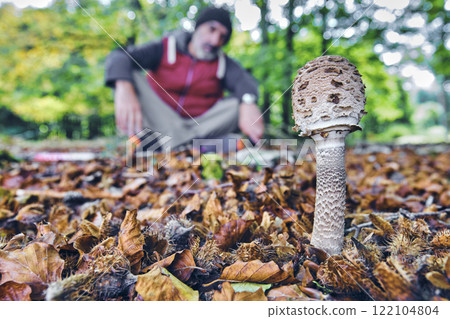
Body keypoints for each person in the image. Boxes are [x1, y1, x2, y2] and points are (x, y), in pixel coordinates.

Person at [104, 6, 264, 151]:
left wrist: (248, 102)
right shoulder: (165, 47)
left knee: (240, 102)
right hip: (160, 122)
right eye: (212, 29)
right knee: (128, 74)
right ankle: (196, 146)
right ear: (198, 26)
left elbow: (246, 82)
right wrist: (124, 88)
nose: (215, 40)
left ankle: (170, 145)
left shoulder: (223, 63)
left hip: (199, 125)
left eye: (222, 37)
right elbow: (118, 57)